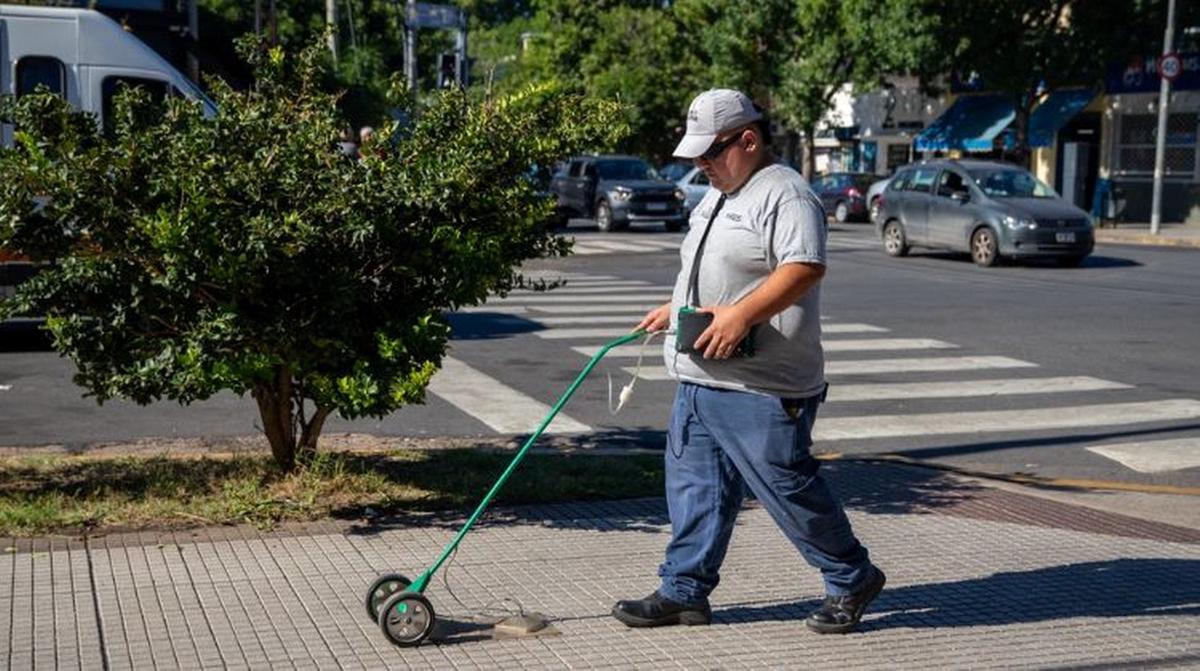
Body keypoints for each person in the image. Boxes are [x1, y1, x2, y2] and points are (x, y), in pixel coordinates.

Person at [612, 89, 885, 634]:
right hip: (701, 375)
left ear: (748, 140)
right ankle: (684, 591)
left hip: (762, 384)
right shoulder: (717, 195)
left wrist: (740, 316)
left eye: (710, 153)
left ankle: (851, 576)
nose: (701, 165)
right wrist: (676, 306)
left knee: (787, 487)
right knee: (695, 490)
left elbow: (803, 268)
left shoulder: (786, 194)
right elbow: (714, 268)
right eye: (695, 156)